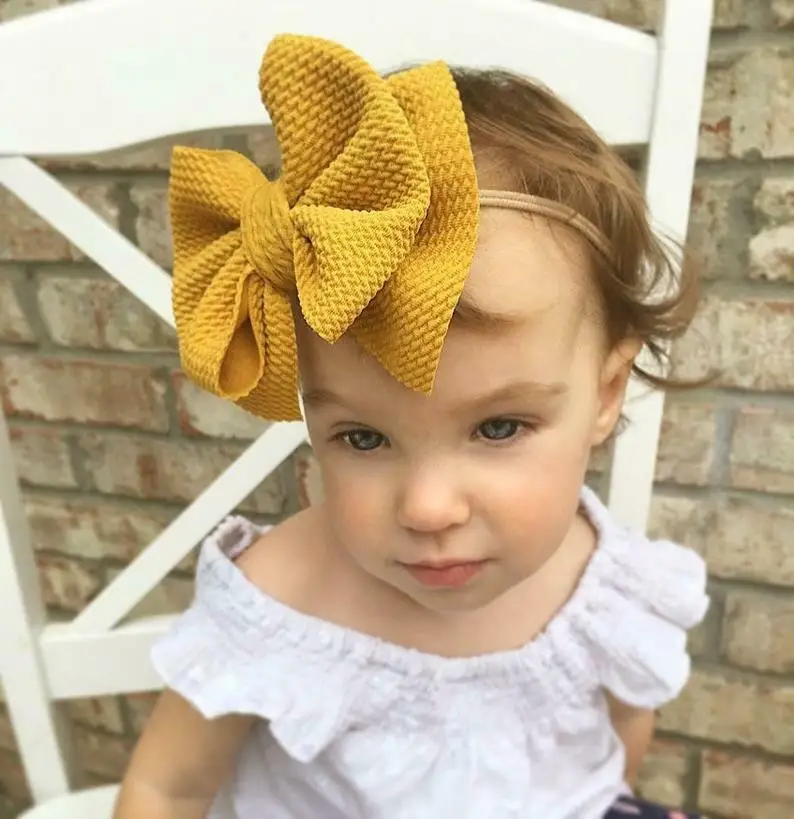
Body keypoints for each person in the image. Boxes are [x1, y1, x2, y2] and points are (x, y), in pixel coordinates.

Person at [113, 33, 709, 819]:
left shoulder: (604, 586)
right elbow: (167, 786)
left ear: (604, 393)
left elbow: (622, 737)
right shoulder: (280, 604)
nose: (429, 508)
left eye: (499, 427)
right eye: (363, 437)